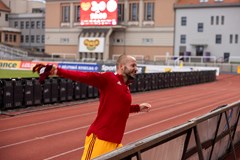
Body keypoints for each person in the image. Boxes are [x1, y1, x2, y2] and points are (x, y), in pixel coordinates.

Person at [33, 55, 151, 160]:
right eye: (133, 65)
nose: (136, 69)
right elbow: (85, 76)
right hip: (100, 139)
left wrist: (138, 108)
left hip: (115, 142)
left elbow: (119, 108)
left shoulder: (125, 87)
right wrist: (57, 71)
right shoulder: (109, 79)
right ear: (121, 66)